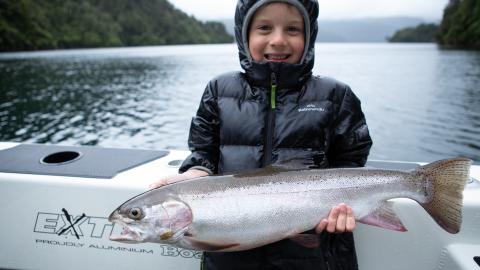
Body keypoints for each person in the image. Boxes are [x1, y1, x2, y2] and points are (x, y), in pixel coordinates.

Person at [150, 0, 372, 269]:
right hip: (229, 256)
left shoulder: (336, 96)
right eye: (264, 28)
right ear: (244, 36)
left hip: (315, 253)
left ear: (309, 36)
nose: (278, 40)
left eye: (292, 30)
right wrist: (195, 174)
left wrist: (343, 205)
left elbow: (352, 159)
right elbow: (203, 152)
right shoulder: (218, 91)